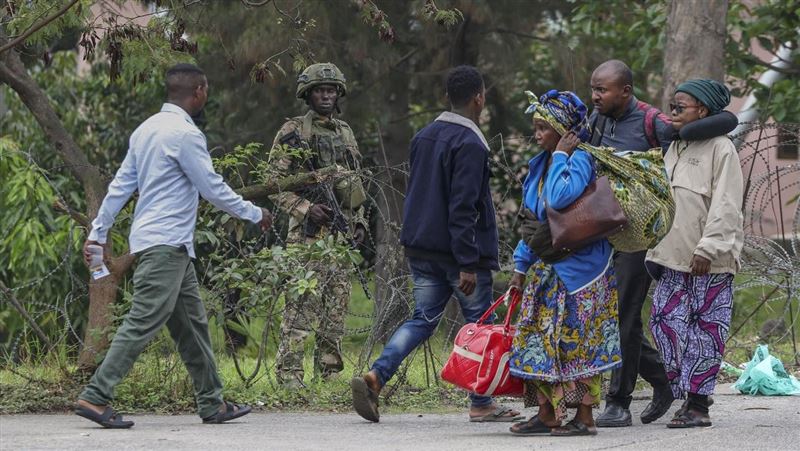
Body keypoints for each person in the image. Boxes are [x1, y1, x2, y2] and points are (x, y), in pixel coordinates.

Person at [76, 63, 273, 428]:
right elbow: (212, 188)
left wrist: (98, 231)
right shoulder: (185, 135)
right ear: (198, 91)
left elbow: (120, 186)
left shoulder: (146, 130)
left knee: (193, 326)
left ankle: (213, 403)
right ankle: (95, 395)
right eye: (207, 90)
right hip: (165, 245)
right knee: (143, 320)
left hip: (168, 245)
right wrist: (253, 212)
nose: (206, 95)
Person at [350, 65, 522, 423]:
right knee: (480, 326)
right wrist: (467, 262)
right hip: (456, 254)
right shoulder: (471, 144)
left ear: (447, 97)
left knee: (422, 320)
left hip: (421, 249)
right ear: (479, 98)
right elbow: (462, 208)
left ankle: (376, 376)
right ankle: (481, 403)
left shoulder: (424, 135)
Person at [507, 90, 622, 437]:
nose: (537, 134)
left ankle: (584, 417)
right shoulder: (538, 164)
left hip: (583, 273)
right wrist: (519, 267)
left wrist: (561, 155)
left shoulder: (581, 160)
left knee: (578, 344)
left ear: (565, 131)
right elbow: (534, 221)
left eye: (544, 127)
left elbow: (558, 199)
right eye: (536, 127)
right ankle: (547, 414)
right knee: (535, 340)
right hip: (547, 268)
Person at [646, 79, 743, 428]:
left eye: (680, 106)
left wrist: (709, 247)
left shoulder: (721, 148)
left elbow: (726, 204)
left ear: (702, 110)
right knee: (664, 324)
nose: (671, 112)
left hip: (709, 261)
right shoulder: (675, 148)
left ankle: (698, 405)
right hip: (673, 257)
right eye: (671, 106)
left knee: (705, 332)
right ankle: (688, 392)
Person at [268, 62, 368, 388]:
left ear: (338, 94)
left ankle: (328, 377)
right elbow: (273, 184)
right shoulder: (293, 132)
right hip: (307, 237)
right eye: (319, 91)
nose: (326, 95)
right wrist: (306, 208)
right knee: (300, 308)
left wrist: (358, 222)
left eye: (331, 90)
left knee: (335, 311)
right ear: (308, 94)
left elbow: (355, 184)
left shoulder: (346, 132)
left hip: (339, 236)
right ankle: (290, 379)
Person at [588, 59, 674, 427]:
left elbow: (679, 169)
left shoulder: (653, 122)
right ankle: (664, 379)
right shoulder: (597, 120)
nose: (595, 96)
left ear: (625, 90)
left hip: (640, 238)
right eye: (593, 88)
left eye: (602, 89)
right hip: (603, 232)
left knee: (624, 313)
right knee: (611, 316)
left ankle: (618, 402)